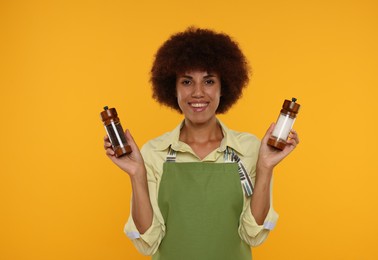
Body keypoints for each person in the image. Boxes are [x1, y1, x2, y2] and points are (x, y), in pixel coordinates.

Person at [103, 27, 300, 260]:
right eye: (187, 82)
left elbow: (252, 236)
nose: (197, 93)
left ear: (223, 87)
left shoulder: (248, 149)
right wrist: (136, 173)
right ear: (172, 88)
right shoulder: (154, 152)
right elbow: (149, 242)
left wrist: (265, 168)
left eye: (208, 81)